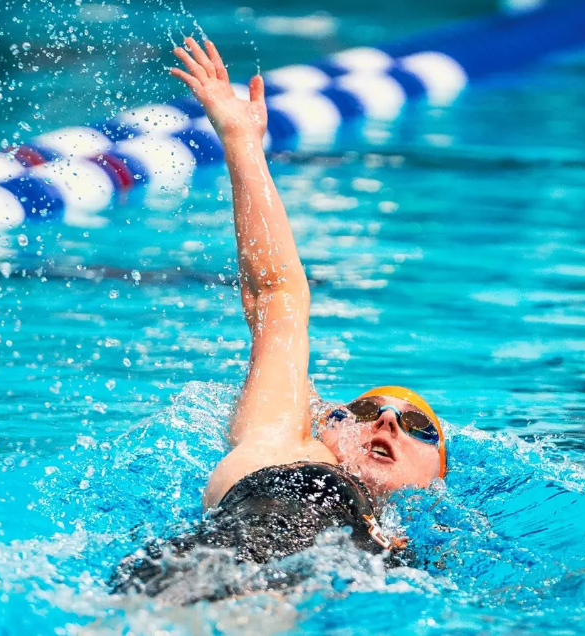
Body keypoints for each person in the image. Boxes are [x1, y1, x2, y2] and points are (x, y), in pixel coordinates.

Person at [109, 37, 448, 603]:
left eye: (418, 428)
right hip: (204, 581)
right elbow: (277, 296)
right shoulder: (284, 443)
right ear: (325, 426)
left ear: (437, 477)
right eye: (365, 412)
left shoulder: (410, 555)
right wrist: (242, 142)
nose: (387, 425)